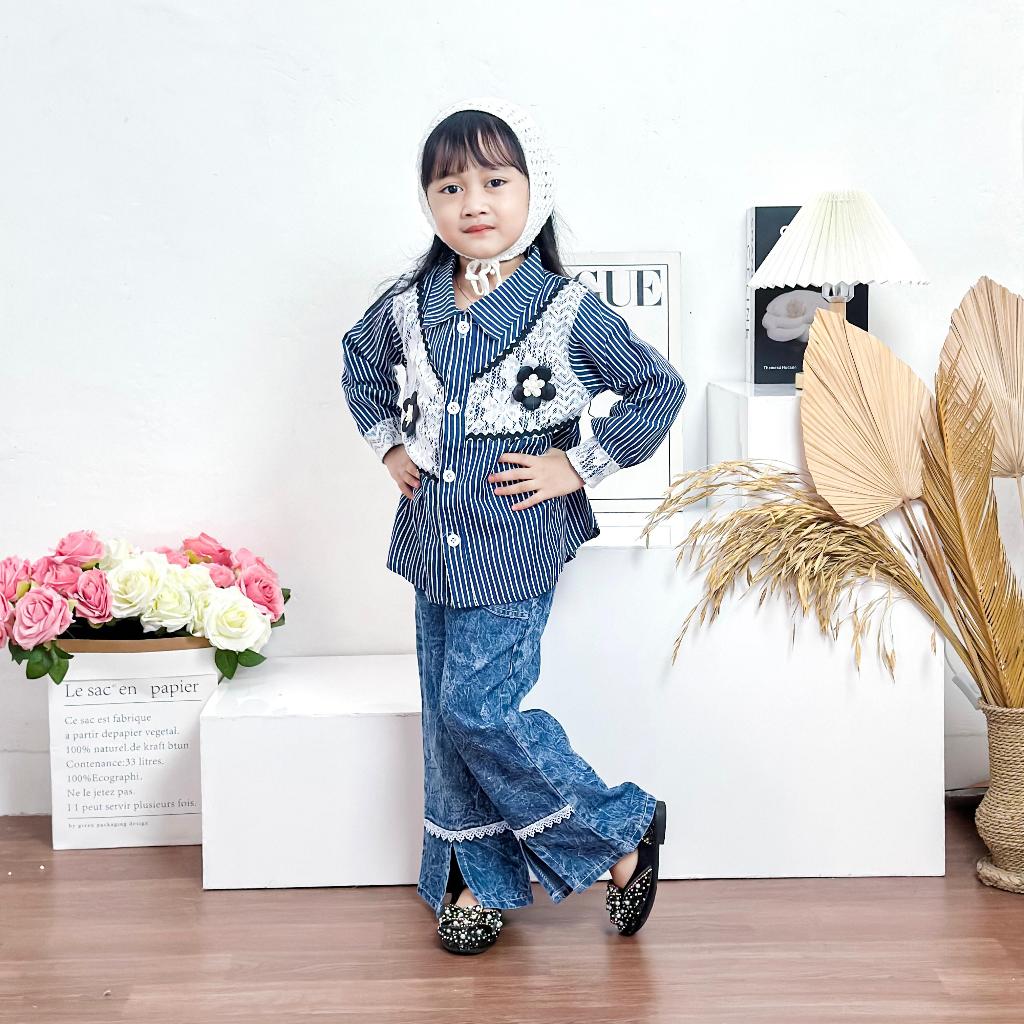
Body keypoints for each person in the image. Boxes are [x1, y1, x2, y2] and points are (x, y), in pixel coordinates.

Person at [340, 97, 686, 954]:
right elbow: (358, 361)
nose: (474, 202)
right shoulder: (410, 303)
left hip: (513, 538)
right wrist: (389, 445)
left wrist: (580, 464)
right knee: (444, 716)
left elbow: (658, 388)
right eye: (450, 187)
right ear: (429, 202)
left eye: (495, 181)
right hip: (431, 533)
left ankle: (619, 829)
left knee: (477, 709)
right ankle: (473, 879)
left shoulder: (564, 307)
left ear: (536, 191)